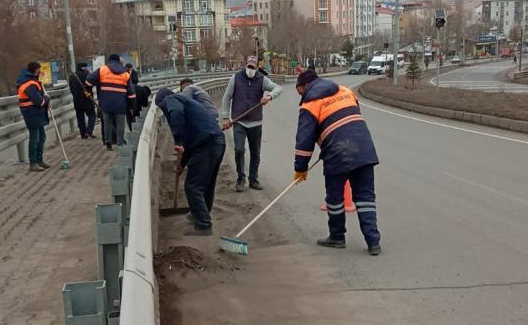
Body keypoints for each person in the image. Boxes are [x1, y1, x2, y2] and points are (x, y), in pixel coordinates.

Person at [292, 69, 381, 256]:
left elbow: (304, 140)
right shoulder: (345, 91)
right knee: (365, 197)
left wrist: (300, 168)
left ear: (307, 86)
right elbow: (350, 118)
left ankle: (337, 237)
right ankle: (373, 242)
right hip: (364, 148)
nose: (300, 96)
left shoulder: (310, 104)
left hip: (338, 153)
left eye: (299, 91)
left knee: (334, 198)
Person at [155, 88, 226, 236]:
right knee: (206, 185)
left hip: (206, 145)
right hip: (216, 142)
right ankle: (200, 215)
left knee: (193, 187)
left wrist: (178, 139)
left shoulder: (172, 100)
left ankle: (203, 225)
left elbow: (175, 113)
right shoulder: (188, 105)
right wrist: (182, 164)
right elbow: (189, 145)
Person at [220, 55, 282, 192]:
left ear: (257, 68)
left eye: (253, 67)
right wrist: (225, 117)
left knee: (255, 153)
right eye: (249, 66)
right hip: (239, 122)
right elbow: (226, 98)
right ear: (245, 65)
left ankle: (253, 180)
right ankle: (240, 179)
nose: (250, 69)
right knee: (239, 150)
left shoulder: (262, 79)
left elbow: (278, 88)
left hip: (256, 122)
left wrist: (269, 96)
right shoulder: (235, 78)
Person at [86, 54, 136, 150]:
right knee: (120, 124)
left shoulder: (102, 70)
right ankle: (120, 143)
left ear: (109, 61)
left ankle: (108, 142)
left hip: (106, 103)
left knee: (107, 123)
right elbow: (131, 93)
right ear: (119, 61)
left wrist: (87, 89)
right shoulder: (125, 73)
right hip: (121, 104)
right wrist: (131, 106)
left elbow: (89, 80)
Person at [16, 61, 51, 172]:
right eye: (39, 69)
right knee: (34, 138)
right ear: (36, 70)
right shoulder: (28, 84)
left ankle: (39, 160)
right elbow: (39, 101)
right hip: (31, 113)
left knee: (42, 137)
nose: (40, 71)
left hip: (36, 113)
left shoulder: (33, 81)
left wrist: (45, 100)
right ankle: (33, 163)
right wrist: (46, 99)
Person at [69, 62, 96, 139]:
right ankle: (89, 131)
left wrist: (75, 95)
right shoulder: (88, 75)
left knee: (80, 117)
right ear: (84, 67)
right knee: (92, 115)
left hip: (77, 100)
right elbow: (92, 84)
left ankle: (83, 134)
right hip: (87, 98)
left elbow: (71, 88)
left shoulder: (72, 76)